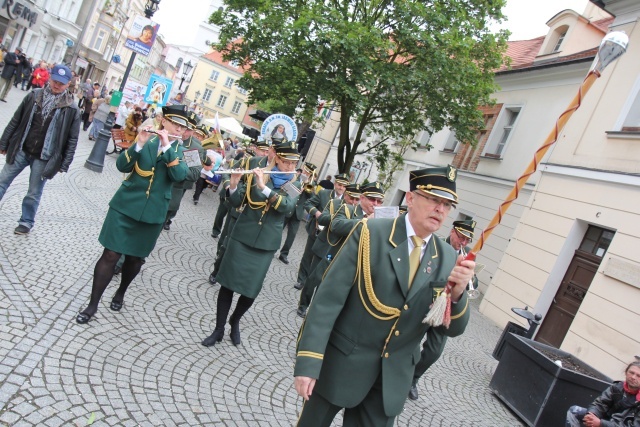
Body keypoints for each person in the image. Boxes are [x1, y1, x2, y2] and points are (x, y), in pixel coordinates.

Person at [293, 166, 475, 427]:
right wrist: (309, 362)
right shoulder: (371, 233)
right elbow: (327, 301)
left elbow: (452, 329)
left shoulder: (447, 258)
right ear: (410, 198)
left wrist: (457, 295)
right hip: (341, 365)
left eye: (447, 205)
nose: (441, 210)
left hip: (390, 381)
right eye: (434, 200)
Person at [75, 105, 190, 324]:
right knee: (110, 254)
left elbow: (179, 175)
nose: (178, 128)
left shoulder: (184, 152)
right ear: (163, 122)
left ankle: (121, 291)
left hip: (153, 213)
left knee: (135, 259)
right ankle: (92, 305)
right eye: (174, 123)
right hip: (126, 206)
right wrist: (139, 142)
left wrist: (167, 146)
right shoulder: (147, 139)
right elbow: (121, 165)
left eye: (182, 127)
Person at [201, 141, 302, 347]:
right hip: (242, 236)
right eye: (287, 162)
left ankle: (235, 320)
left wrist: (263, 188)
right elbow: (237, 202)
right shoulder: (259, 171)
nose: (291, 167)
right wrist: (235, 183)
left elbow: (287, 207)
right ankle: (218, 329)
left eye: (294, 163)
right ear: (276, 159)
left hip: (265, 244)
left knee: (250, 291)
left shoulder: (294, 183)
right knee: (227, 284)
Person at [0, 64, 80, 234]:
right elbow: (16, 120)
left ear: (68, 85)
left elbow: (72, 139)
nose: (57, 85)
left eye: (61, 83)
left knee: (34, 192)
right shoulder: (34, 96)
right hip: (22, 148)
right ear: (50, 79)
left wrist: (64, 163)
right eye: (55, 81)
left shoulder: (71, 108)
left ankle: (26, 221)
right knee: (2, 181)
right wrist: (4, 143)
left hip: (44, 157)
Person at [407, 218, 479, 400]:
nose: (463, 243)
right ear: (453, 232)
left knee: (434, 351)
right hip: (427, 300)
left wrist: (468, 280)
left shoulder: (469, 254)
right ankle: (401, 375)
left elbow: (473, 281)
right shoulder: (436, 245)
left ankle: (413, 378)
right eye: (461, 237)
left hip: (446, 308)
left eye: (467, 240)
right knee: (410, 341)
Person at [296, 181, 383, 317]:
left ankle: (316, 310)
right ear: (363, 198)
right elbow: (337, 226)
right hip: (328, 249)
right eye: (372, 199)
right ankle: (303, 305)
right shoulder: (347, 209)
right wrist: (365, 221)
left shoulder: (379, 220)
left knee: (328, 286)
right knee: (314, 279)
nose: (376, 204)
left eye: (379, 201)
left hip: (347, 257)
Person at [294, 173, 349, 290]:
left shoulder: (347, 201)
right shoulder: (324, 193)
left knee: (321, 260)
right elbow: (308, 203)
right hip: (316, 230)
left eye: (344, 186)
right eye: (339, 185)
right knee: (308, 256)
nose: (341, 188)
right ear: (335, 184)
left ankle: (311, 283)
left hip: (330, 236)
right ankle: (301, 280)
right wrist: (317, 213)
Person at [163, 112, 214, 231]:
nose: (184, 133)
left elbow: (194, 174)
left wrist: (177, 168)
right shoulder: (166, 135)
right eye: (182, 127)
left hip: (171, 193)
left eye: (188, 130)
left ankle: (169, 219)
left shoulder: (192, 148)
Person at [566, 361, 640, 427]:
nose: (633, 377)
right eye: (631, 372)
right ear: (626, 372)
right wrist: (591, 415)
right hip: (606, 420)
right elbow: (601, 403)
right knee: (574, 411)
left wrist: (601, 424)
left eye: (638, 376)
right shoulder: (616, 387)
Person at [278, 162, 317, 264]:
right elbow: (285, 189)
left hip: (298, 213)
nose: (306, 174)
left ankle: (284, 254)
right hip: (288, 207)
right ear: (303, 170)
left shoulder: (311, 185)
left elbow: (312, 199)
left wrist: (308, 189)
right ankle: (271, 247)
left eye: (308, 173)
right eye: (305, 171)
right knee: (278, 230)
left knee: (292, 235)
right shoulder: (294, 177)